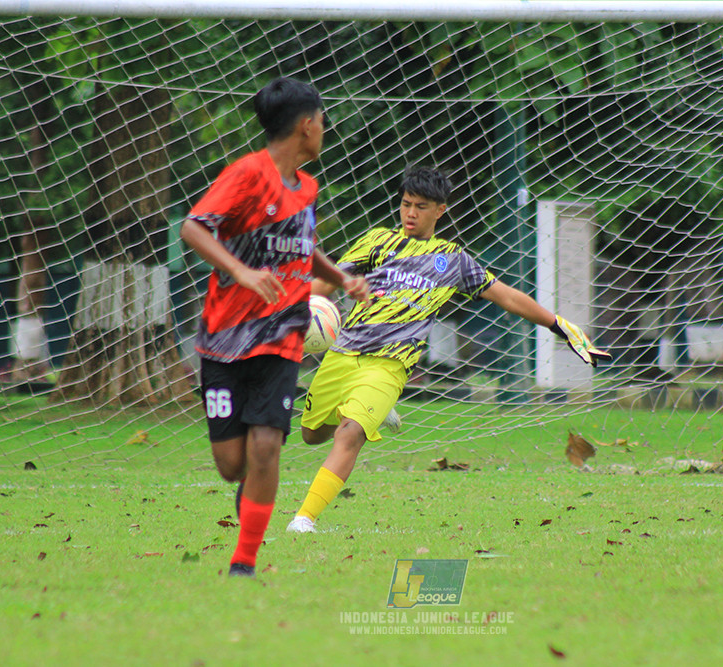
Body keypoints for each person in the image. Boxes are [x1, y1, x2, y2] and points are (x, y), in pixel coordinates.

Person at [286, 165, 609, 533]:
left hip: (390, 364)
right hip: (343, 352)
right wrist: (286, 307)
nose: (410, 213)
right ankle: (377, 410)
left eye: (420, 207)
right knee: (311, 435)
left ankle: (304, 519)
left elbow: (506, 296)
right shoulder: (376, 240)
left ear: (440, 210)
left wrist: (559, 325)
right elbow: (327, 284)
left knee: (350, 433)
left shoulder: (452, 260)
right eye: (406, 204)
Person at [180, 77, 369, 576]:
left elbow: (302, 246)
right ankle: (250, 487)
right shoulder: (247, 174)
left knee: (267, 445)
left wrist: (340, 278)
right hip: (224, 339)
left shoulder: (308, 187)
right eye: (323, 121)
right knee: (232, 465)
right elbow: (193, 227)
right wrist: (241, 272)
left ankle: (243, 562)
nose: (325, 129)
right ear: (306, 125)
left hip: (282, 335)